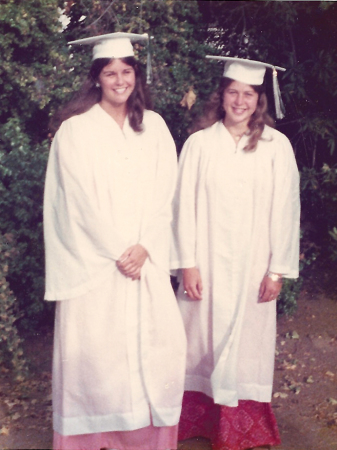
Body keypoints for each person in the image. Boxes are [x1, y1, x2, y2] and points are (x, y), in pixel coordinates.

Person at [44, 32, 186, 450]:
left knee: (155, 350)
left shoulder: (155, 127)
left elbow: (167, 193)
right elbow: (76, 203)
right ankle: (93, 438)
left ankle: (143, 437)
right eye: (110, 72)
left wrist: (144, 247)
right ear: (96, 78)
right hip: (97, 266)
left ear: (136, 76)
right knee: (97, 356)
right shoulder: (75, 132)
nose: (119, 80)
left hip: (146, 259)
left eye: (127, 71)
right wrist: (118, 252)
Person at [171, 56, 300, 450]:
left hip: (252, 264)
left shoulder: (277, 147)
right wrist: (187, 264)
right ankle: (195, 422)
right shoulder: (199, 143)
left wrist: (277, 270)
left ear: (259, 99)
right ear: (221, 96)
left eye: (248, 94)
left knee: (247, 343)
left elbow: (286, 209)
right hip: (205, 263)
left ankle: (242, 428)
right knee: (197, 340)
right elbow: (182, 206)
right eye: (233, 92)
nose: (240, 101)